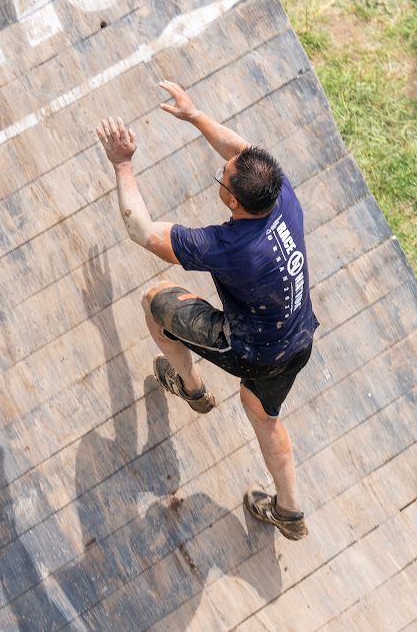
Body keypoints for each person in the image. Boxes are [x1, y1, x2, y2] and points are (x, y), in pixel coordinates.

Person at [95, 81, 319, 541]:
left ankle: (190, 386)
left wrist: (123, 164)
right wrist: (195, 115)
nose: (223, 169)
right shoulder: (279, 193)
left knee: (156, 302)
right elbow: (239, 150)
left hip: (251, 347)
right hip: (298, 339)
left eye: (223, 177)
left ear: (234, 201)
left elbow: (140, 229)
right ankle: (290, 512)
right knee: (260, 411)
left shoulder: (229, 246)